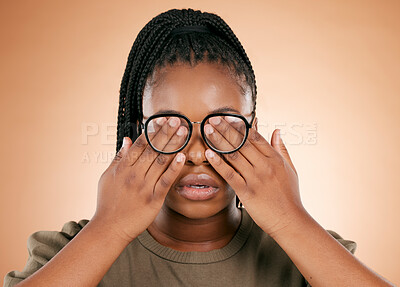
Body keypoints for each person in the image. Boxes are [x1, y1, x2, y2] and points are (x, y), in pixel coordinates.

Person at [3, 8, 395, 287]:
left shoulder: (312, 255)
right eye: (169, 126)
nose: (195, 152)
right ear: (137, 134)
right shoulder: (67, 252)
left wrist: (290, 219)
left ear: (254, 133)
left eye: (223, 126)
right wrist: (109, 228)